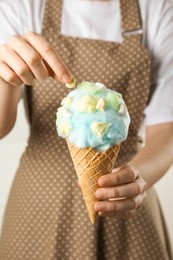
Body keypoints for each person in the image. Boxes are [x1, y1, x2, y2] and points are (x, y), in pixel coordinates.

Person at [0, 0, 173, 259]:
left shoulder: (158, 7)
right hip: (38, 203)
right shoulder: (23, 5)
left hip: (126, 194)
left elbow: (166, 126)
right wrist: (5, 79)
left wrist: (141, 178)